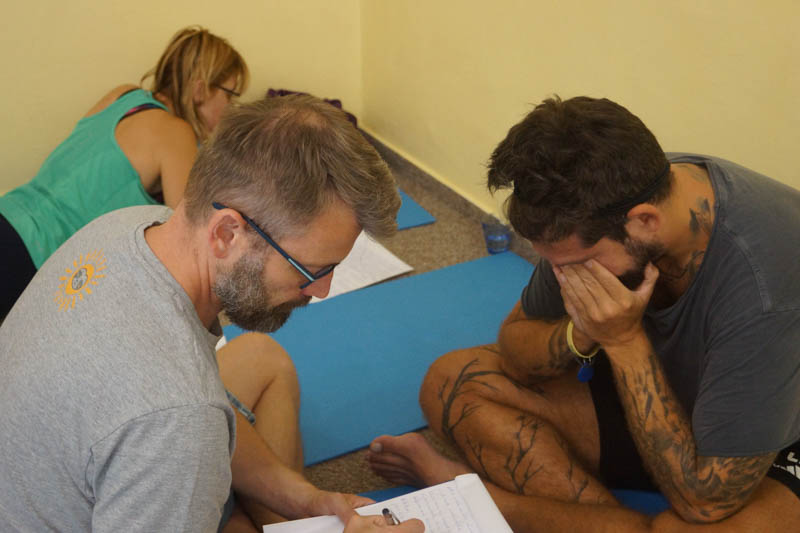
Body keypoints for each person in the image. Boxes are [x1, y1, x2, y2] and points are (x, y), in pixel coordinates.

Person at [367, 96, 800, 532]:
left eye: (577, 264)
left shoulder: (766, 285)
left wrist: (624, 342)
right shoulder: (596, 202)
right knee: (451, 382)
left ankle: (472, 496)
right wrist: (581, 334)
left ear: (645, 221)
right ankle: (616, 525)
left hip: (771, 439)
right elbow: (516, 347)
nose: (564, 276)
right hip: (663, 394)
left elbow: (704, 502)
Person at [0, 94, 421, 533]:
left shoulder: (131, 224)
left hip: (57, 467)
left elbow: (200, 412)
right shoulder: (179, 418)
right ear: (226, 233)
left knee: (261, 357)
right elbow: (184, 418)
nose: (323, 289)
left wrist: (306, 499)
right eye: (310, 269)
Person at [0, 25, 248, 318]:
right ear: (200, 89)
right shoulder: (176, 135)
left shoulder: (123, 96)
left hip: (9, 213)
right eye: (230, 95)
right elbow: (191, 246)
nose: (231, 108)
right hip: (34, 255)